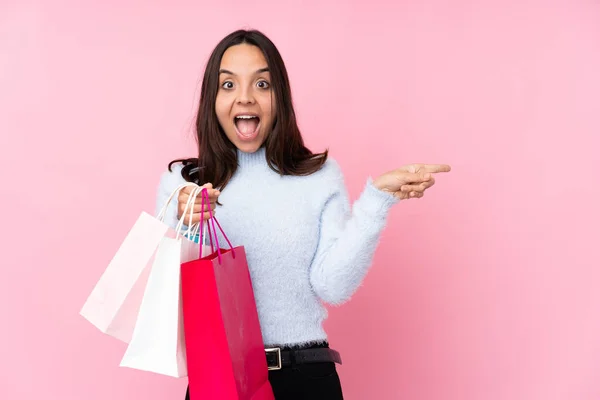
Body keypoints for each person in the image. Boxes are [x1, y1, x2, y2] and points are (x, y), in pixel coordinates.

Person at [155, 29, 451, 400]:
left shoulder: (318, 176)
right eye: (227, 85)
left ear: (280, 96)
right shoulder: (183, 185)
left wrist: (377, 202)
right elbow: (169, 294)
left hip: (306, 378)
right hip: (220, 379)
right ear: (211, 99)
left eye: (261, 83)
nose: (245, 96)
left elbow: (333, 286)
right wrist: (186, 220)